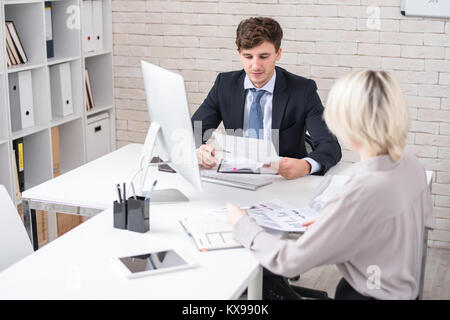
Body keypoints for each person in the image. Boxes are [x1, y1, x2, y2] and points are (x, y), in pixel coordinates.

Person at [227, 70, 435, 300]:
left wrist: (242, 223)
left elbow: (288, 262)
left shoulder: (361, 191)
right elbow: (405, 225)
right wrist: (341, 221)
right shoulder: (410, 165)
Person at [191, 17, 341, 179]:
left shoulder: (303, 90)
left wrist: (305, 165)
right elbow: (193, 133)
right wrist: (198, 151)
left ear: (278, 54)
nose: (255, 66)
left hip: (284, 181)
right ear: (239, 54)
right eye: (248, 57)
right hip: (237, 176)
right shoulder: (224, 85)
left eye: (263, 56)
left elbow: (330, 145)